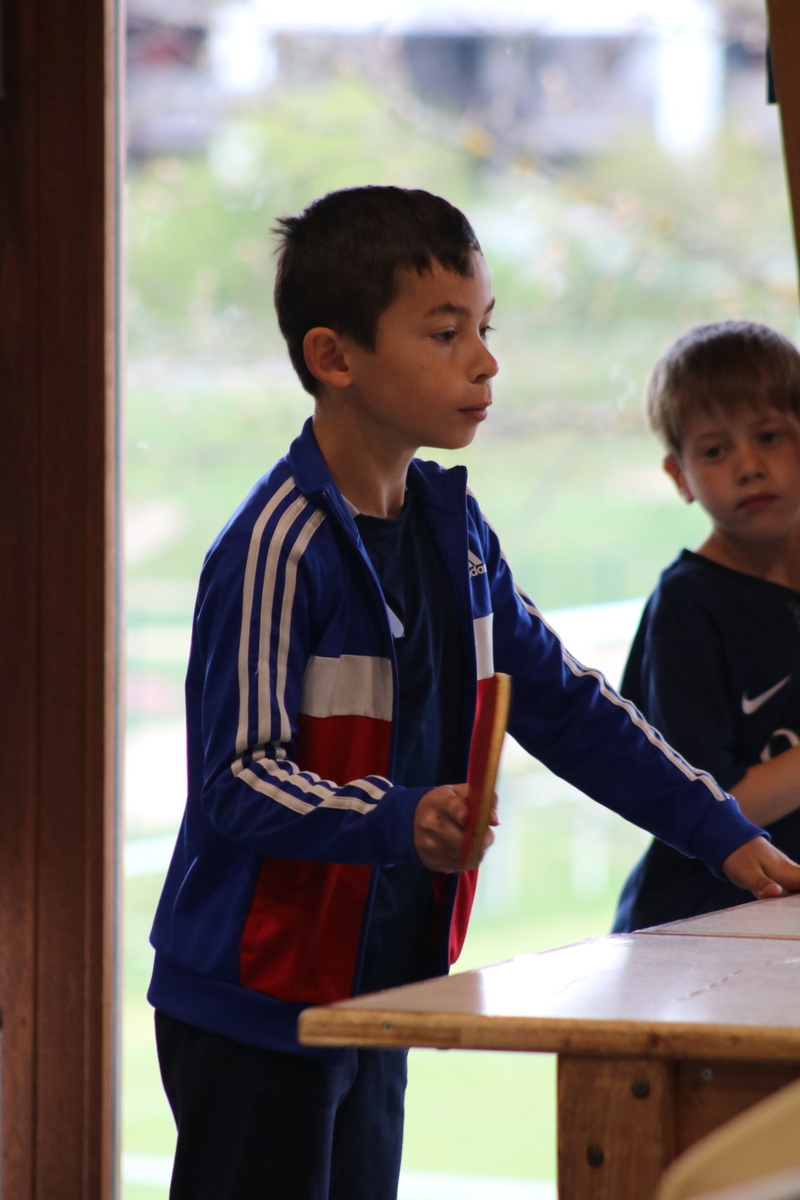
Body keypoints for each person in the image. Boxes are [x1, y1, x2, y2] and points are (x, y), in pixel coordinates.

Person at [147, 191, 800, 1200]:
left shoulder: (455, 533)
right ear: (334, 357)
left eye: (485, 328)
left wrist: (721, 831)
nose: (485, 363)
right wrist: (402, 817)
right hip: (256, 1003)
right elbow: (238, 781)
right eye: (446, 334)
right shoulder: (277, 546)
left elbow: (566, 706)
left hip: (378, 987)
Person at [614, 320, 800, 932]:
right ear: (680, 477)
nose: (748, 466)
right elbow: (705, 807)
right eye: (715, 451)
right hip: (699, 926)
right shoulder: (686, 608)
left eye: (769, 437)